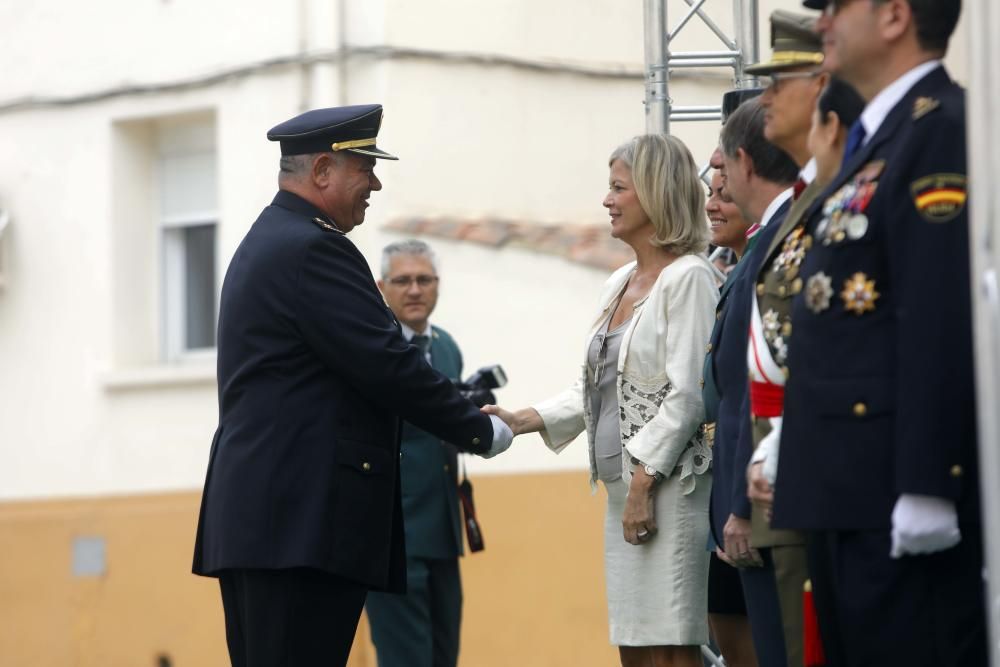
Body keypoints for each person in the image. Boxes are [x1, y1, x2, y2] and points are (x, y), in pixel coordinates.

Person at [191, 104, 512, 667]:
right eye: (364, 166)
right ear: (322, 171)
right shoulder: (312, 249)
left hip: (272, 522)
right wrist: (479, 428)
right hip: (296, 527)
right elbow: (386, 362)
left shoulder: (274, 240)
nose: (375, 183)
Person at [773, 0, 986, 664]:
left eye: (836, 6)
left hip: (896, 494)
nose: (823, 22)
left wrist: (929, 485)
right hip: (848, 490)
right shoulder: (874, 141)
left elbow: (937, 312)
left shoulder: (939, 129)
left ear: (895, 15)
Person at [486, 134, 718, 667]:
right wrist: (522, 419)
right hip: (624, 492)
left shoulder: (689, 279)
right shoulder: (619, 281)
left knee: (672, 648)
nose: (607, 200)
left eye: (618, 187)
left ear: (655, 193)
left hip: (668, 491)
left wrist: (643, 483)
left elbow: (689, 398)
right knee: (635, 648)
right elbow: (596, 387)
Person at [730, 12, 830, 666]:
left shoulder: (827, 196)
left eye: (779, 81)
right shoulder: (803, 200)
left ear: (822, 85)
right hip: (782, 474)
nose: (766, 96)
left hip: (815, 470)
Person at [710, 96, 799, 667]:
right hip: (762, 488)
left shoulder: (774, 241)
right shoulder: (764, 241)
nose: (715, 184)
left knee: (783, 649)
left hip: (768, 496)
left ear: (743, 162)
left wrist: (741, 503)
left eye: (720, 170)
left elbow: (753, 385)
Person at [365, 239, 469, 667]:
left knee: (444, 654)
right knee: (406, 659)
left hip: (443, 531)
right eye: (402, 280)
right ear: (381, 286)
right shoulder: (373, 347)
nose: (414, 290)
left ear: (438, 286)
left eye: (424, 280)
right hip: (393, 535)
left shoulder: (445, 347)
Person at [702, 170, 759, 667]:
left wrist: (739, 504)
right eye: (710, 194)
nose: (713, 205)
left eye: (725, 194)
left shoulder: (753, 270)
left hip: (748, 499)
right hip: (725, 499)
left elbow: (745, 398)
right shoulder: (734, 271)